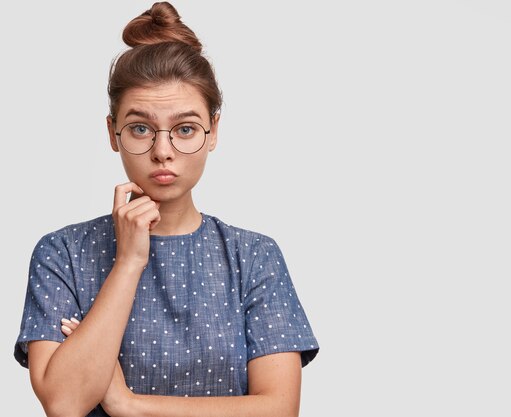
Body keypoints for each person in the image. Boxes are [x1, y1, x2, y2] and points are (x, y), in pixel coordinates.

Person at [13, 2, 319, 417]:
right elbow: (64, 404)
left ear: (213, 133)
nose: (162, 152)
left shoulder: (254, 257)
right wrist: (128, 262)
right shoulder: (62, 253)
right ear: (112, 133)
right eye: (140, 128)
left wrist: (131, 404)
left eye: (185, 129)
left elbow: (279, 408)